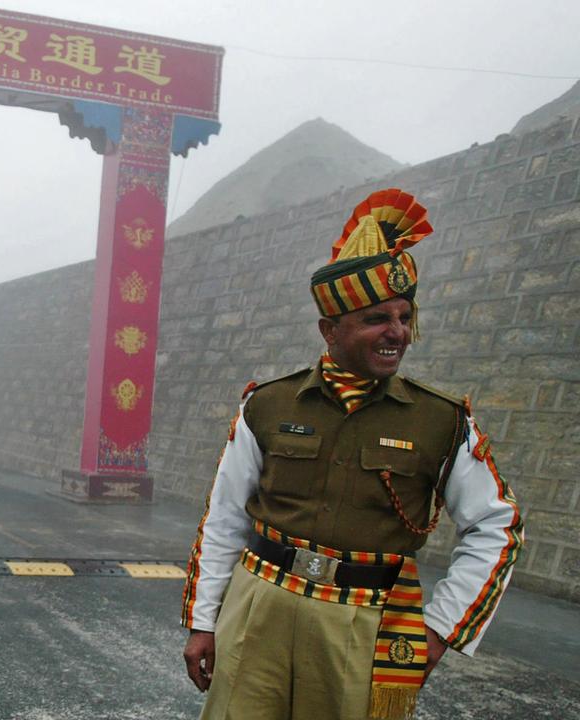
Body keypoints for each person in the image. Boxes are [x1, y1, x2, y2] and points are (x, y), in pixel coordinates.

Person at [180, 189, 524, 720]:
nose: (397, 333)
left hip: (368, 624)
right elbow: (224, 518)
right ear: (329, 330)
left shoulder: (443, 421)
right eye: (375, 319)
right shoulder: (267, 404)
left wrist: (440, 630)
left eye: (404, 316)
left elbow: (498, 526)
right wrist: (204, 621)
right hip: (258, 608)